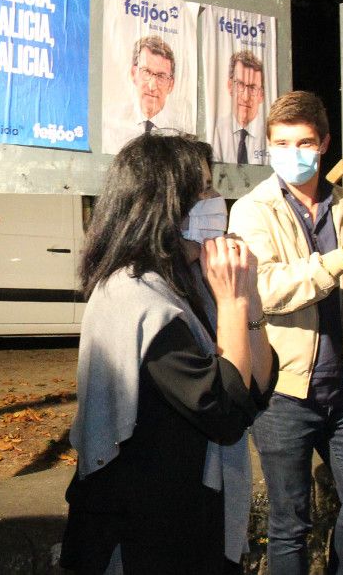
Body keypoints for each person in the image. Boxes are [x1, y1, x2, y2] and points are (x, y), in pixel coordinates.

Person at [61, 133, 277, 574]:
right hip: (151, 532)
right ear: (167, 205)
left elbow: (257, 388)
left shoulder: (188, 279)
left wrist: (249, 300)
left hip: (195, 512)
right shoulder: (135, 296)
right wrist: (233, 302)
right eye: (203, 190)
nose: (217, 199)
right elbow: (225, 411)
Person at [228, 91, 343, 574]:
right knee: (290, 525)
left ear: (325, 143)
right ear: (267, 146)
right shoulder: (252, 210)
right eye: (281, 142)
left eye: (304, 141)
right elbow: (264, 289)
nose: (293, 152)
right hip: (283, 392)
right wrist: (341, 258)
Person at [102, 36, 189, 153]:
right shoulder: (110, 123)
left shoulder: (181, 133)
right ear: (133, 74)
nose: (152, 86)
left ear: (171, 85)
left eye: (161, 76)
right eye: (146, 72)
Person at [211, 51, 268, 165]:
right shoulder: (216, 131)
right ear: (230, 86)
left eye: (252, 88)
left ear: (261, 95)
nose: (246, 97)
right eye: (240, 85)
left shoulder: (271, 135)